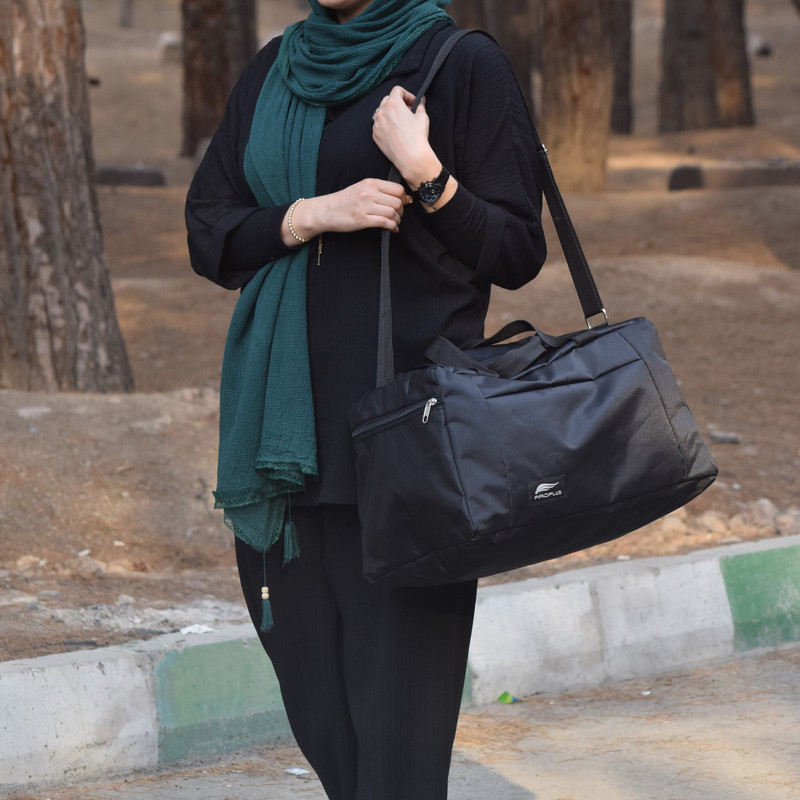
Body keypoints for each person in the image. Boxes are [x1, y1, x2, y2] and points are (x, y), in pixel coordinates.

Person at [185, 0, 546, 797]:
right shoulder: (278, 69)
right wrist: (314, 215)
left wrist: (426, 175)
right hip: (284, 450)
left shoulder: (461, 63)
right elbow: (208, 229)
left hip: (409, 450)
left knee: (397, 749)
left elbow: (519, 249)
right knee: (325, 727)